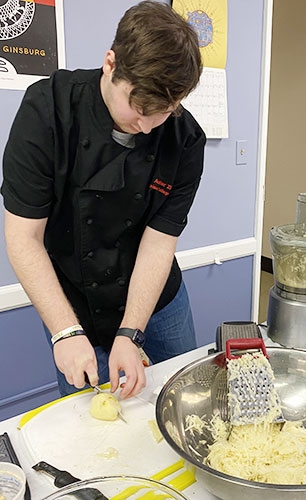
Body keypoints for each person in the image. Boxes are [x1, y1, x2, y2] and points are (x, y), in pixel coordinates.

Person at [1, 1, 206, 400]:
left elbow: (159, 240)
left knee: (184, 399)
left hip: (158, 299)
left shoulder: (184, 139)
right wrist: (65, 332)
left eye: (164, 111)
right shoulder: (47, 113)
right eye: (140, 108)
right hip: (73, 302)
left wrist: (131, 331)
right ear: (110, 64)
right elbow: (23, 238)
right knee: (91, 422)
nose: (147, 126)